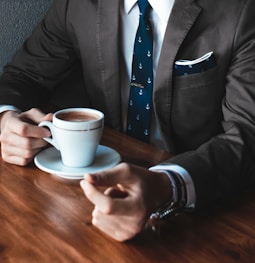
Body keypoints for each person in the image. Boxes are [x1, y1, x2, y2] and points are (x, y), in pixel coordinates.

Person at [0, 0, 255, 242]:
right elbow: (22, 76)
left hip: (204, 211)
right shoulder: (76, 5)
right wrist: (6, 119)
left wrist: (167, 184)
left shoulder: (242, 11)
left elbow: (247, 133)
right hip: (88, 195)